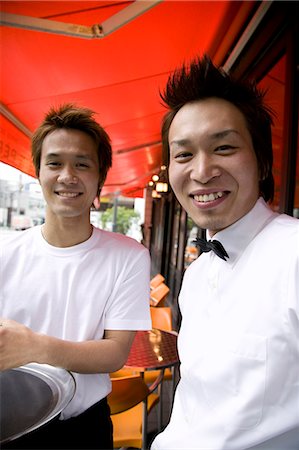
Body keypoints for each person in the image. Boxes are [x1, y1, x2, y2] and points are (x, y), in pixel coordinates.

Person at [151, 55, 299, 449]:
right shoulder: (198, 274)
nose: (202, 171)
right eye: (183, 154)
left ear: (263, 161)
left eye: (224, 147)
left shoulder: (293, 255)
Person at [0, 104, 152, 449]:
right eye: (54, 163)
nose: (67, 176)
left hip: (82, 427)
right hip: (8, 420)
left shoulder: (128, 256)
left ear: (100, 176)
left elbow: (115, 353)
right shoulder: (5, 252)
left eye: (82, 164)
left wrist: (34, 346)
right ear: (37, 171)